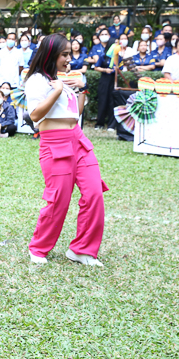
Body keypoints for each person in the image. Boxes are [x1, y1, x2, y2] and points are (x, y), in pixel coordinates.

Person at [24, 34, 106, 267]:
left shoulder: (60, 80)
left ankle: (82, 250)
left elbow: (75, 114)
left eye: (70, 54)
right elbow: (35, 116)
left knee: (94, 193)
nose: (69, 59)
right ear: (51, 55)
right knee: (59, 199)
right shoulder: (37, 80)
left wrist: (81, 90)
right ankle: (39, 248)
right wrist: (57, 91)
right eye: (65, 54)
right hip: (54, 143)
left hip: (78, 140)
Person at [93, 28, 116, 131]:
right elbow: (96, 67)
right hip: (104, 80)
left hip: (113, 80)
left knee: (112, 102)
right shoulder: (104, 55)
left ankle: (111, 125)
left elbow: (122, 68)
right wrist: (105, 70)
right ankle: (100, 123)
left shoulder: (118, 57)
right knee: (103, 101)